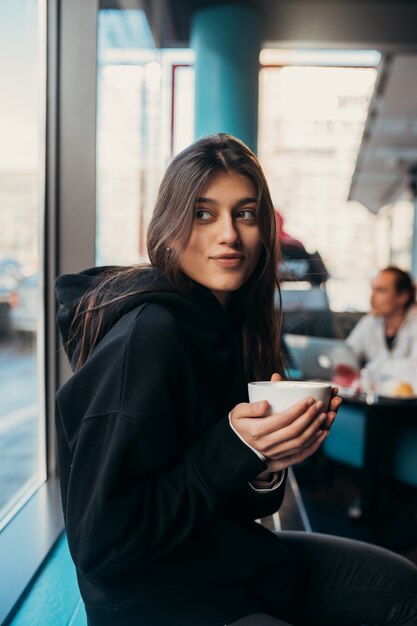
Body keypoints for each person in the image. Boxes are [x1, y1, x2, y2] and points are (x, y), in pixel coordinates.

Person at [55, 134, 417, 626]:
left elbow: (236, 502)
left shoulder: (229, 327)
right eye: (203, 213)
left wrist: (264, 463)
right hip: (157, 598)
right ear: (168, 227)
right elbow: (101, 542)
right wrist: (232, 448)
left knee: (403, 587)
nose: (228, 233)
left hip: (218, 558)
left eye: (245, 213)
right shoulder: (149, 338)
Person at [347, 266, 417, 389]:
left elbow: (414, 370)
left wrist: (371, 368)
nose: (372, 297)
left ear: (403, 296)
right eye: (372, 289)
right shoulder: (370, 322)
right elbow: (347, 354)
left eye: (380, 290)